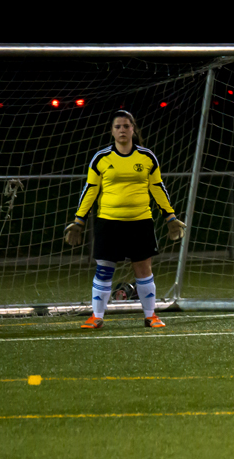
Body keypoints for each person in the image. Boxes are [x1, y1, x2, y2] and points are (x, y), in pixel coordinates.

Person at [63, 110, 186, 329]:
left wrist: (170, 217)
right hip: (109, 222)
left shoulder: (147, 157)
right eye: (118, 127)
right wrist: (79, 220)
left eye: (126, 126)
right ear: (112, 131)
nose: (122, 130)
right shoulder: (101, 158)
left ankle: (151, 316)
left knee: (143, 269)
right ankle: (97, 317)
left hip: (140, 222)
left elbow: (157, 188)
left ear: (133, 129)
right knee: (104, 269)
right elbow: (90, 190)